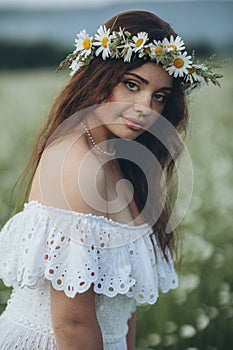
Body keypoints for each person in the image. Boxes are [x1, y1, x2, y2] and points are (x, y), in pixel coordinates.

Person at [0, 10, 221, 350]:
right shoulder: (75, 163)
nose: (145, 108)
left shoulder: (119, 158)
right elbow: (72, 322)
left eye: (159, 96)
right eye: (132, 85)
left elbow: (122, 304)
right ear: (100, 79)